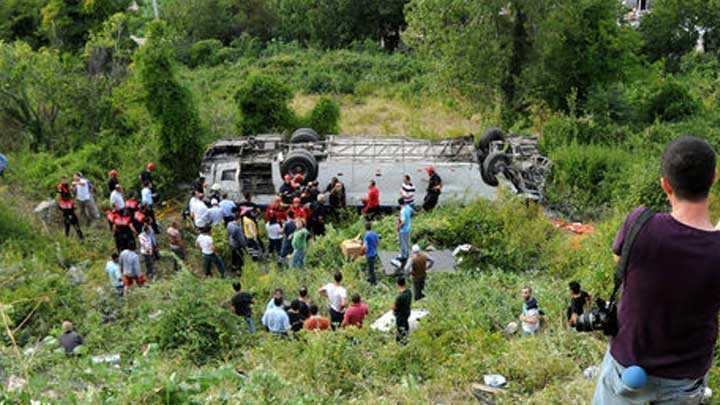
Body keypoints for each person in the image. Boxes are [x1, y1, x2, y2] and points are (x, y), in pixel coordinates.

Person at [593, 136, 720, 404]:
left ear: (665, 184)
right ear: (714, 178)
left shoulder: (639, 222)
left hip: (625, 373)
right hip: (684, 384)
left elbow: (620, 263)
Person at [392, 277, 412, 344]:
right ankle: (407, 338)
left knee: (400, 329)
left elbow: (394, 307)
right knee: (406, 325)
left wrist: (393, 309)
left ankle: (402, 343)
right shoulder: (409, 292)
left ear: (397, 284)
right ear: (405, 283)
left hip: (400, 315)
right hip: (407, 312)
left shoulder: (399, 297)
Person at [227, 210, 247, 275]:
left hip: (231, 243)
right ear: (239, 219)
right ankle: (239, 271)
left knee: (234, 257)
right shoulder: (237, 228)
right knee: (240, 258)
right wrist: (245, 245)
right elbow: (241, 239)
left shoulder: (229, 224)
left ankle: (233, 268)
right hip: (238, 245)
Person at [396, 198, 414, 268]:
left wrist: (398, 227)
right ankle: (406, 254)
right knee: (406, 242)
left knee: (403, 243)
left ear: (400, 204)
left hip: (403, 230)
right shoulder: (408, 207)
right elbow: (412, 212)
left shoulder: (402, 211)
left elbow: (403, 221)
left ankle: (404, 256)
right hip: (408, 228)